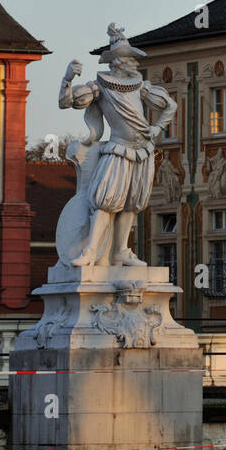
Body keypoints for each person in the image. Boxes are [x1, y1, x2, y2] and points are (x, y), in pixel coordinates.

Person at [58, 23, 176, 267]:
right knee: (106, 200)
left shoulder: (140, 86)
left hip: (143, 151)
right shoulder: (100, 86)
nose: (131, 64)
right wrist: (68, 78)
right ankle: (91, 250)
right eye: (127, 60)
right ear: (118, 62)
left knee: (132, 203)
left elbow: (170, 106)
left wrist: (156, 129)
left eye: (131, 60)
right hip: (118, 149)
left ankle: (121, 250)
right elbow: (67, 102)